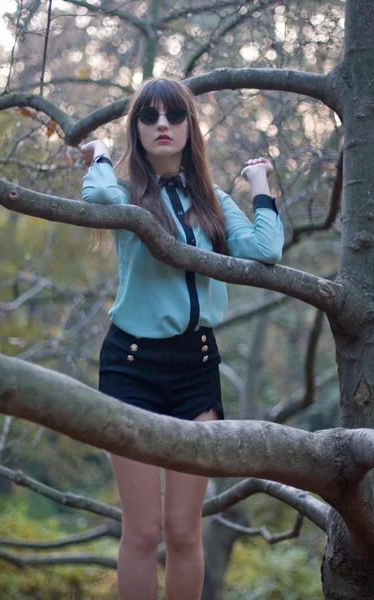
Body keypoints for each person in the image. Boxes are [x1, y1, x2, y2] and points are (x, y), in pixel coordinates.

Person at [81, 78, 284, 600]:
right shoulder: (125, 190)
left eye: (174, 114)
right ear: (138, 128)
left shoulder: (210, 198)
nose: (163, 124)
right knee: (144, 531)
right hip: (131, 366)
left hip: (196, 369)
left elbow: (266, 249)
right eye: (149, 116)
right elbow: (99, 195)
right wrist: (102, 153)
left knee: (185, 531)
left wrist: (260, 181)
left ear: (190, 124)